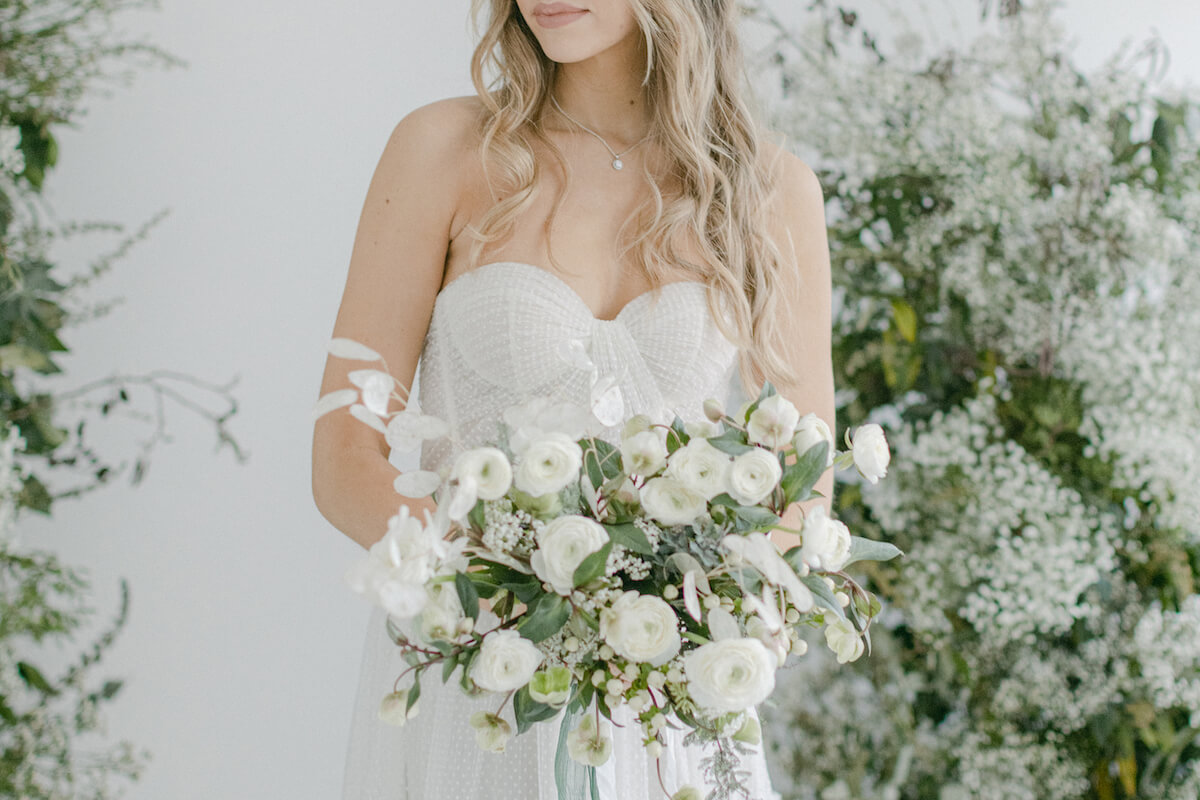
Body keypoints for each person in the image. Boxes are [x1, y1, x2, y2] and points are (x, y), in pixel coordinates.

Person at [311, 0, 834, 797]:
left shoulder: (769, 190)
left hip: (667, 694)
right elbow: (343, 456)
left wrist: (663, 614)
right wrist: (503, 586)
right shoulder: (444, 150)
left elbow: (802, 489)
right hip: (480, 668)